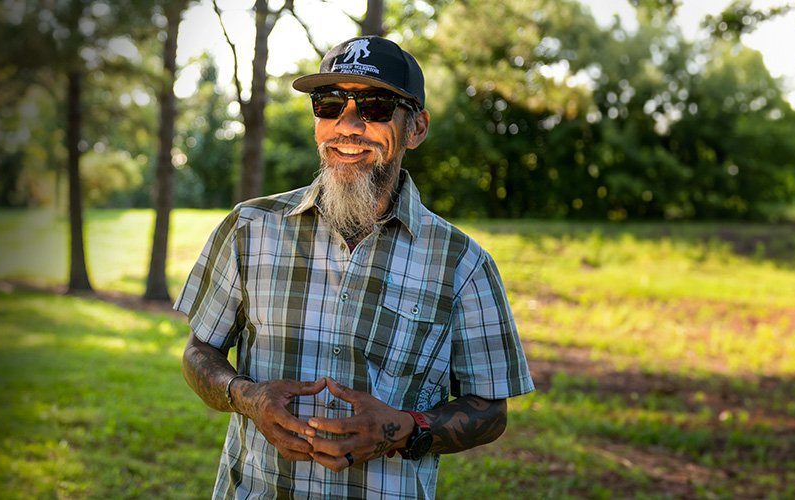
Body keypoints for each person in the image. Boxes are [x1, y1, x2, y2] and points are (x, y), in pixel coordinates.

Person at [175, 36, 535, 498]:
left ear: (417, 128)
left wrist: (406, 429)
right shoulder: (249, 229)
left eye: (376, 106)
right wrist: (248, 397)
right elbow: (198, 352)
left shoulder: (463, 264)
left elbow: (490, 410)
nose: (348, 124)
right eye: (328, 104)